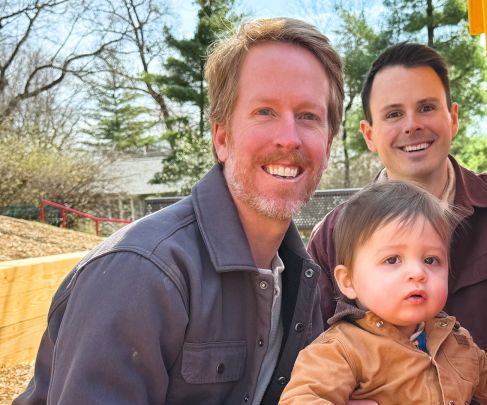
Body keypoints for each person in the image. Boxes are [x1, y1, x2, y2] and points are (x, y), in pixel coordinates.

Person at [14, 18, 344, 405]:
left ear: (328, 143)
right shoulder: (140, 274)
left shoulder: (302, 276)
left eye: (308, 116)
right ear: (222, 137)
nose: (288, 138)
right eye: (264, 111)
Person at [307, 43, 487, 405]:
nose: (412, 125)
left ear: (452, 118)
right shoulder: (334, 234)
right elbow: (310, 364)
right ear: (369, 134)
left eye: (426, 107)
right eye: (393, 114)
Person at [281, 181, 487, 404]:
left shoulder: (453, 339)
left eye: (430, 260)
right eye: (392, 260)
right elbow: (304, 397)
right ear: (348, 281)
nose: (418, 272)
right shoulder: (341, 350)